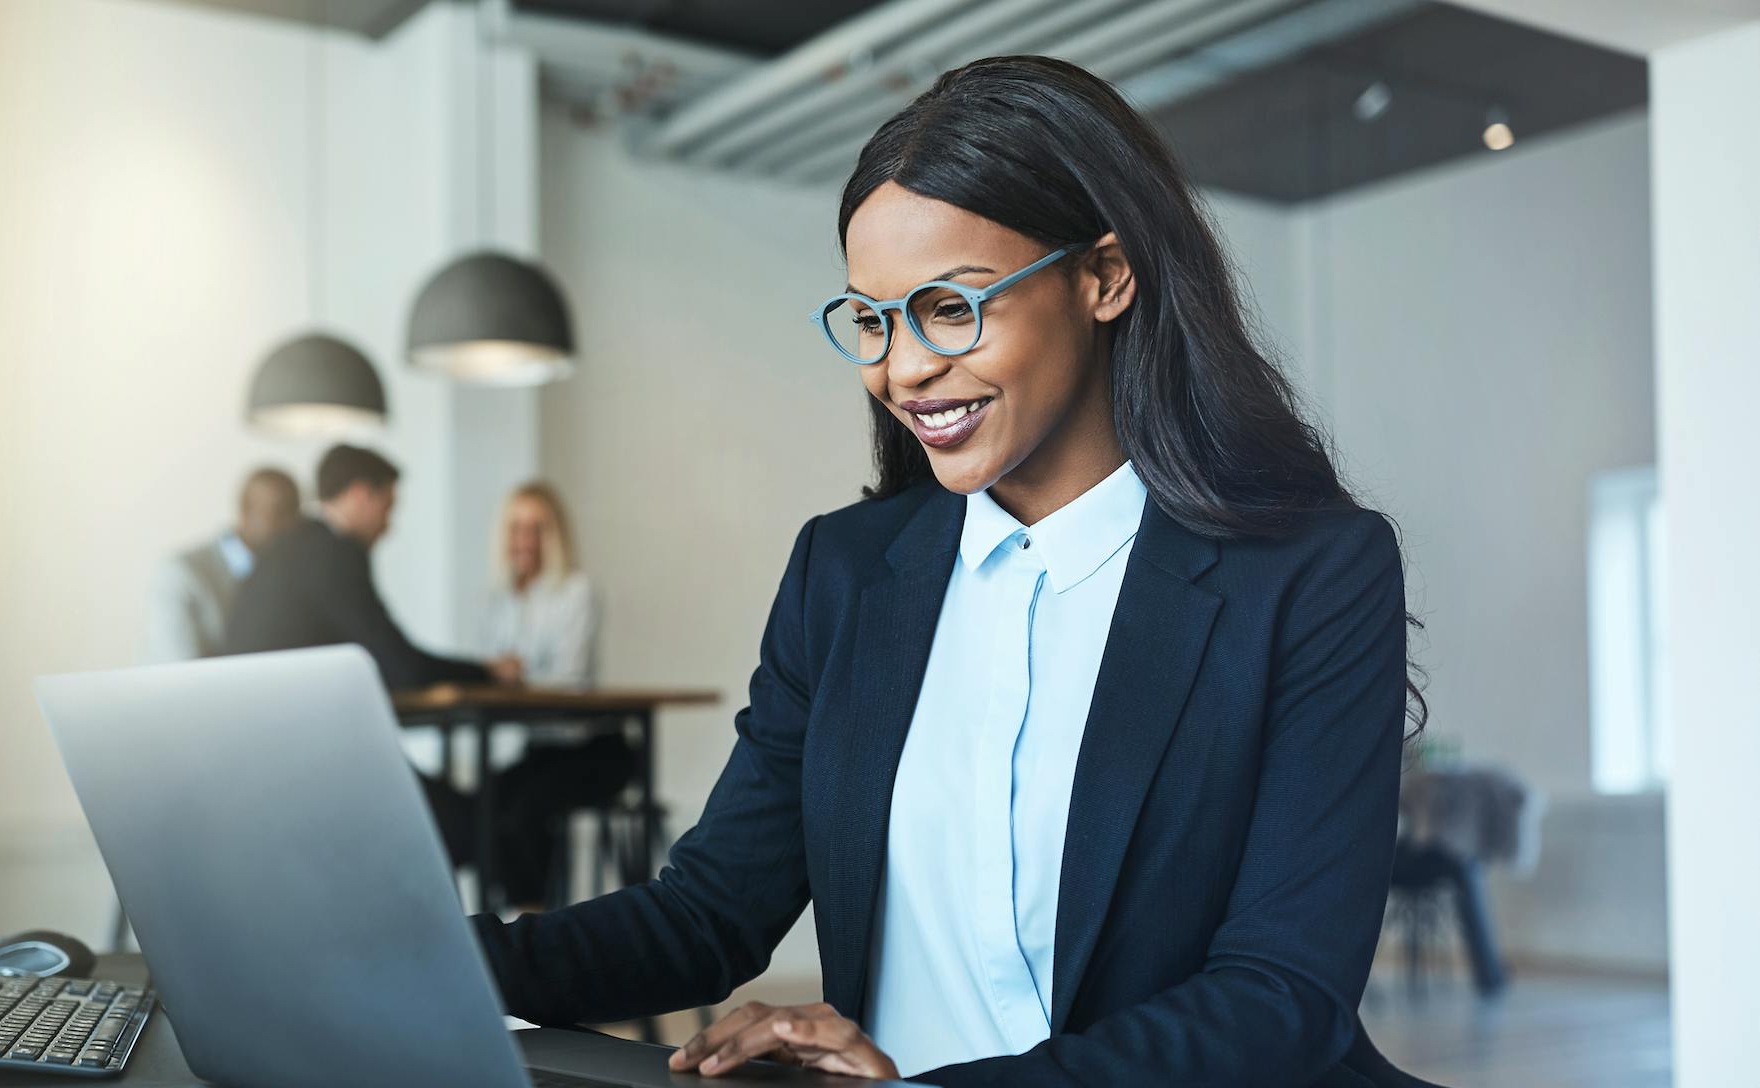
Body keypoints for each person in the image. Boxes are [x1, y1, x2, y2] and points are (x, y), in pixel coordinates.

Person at [469, 56, 1430, 1087]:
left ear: (1104, 275)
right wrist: (425, 956)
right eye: (872, 320)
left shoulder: (1309, 574)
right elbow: (707, 913)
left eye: (950, 307)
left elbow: (1277, 995)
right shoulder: (841, 573)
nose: (903, 368)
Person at [224, 444, 521, 688]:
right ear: (360, 494)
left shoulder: (297, 546)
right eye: (387, 507)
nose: (388, 527)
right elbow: (399, 667)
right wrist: (487, 673)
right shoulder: (332, 554)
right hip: (285, 726)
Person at [481, 483, 626, 909]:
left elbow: (570, 677)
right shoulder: (499, 600)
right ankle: (509, 925)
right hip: (539, 750)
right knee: (485, 809)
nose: (525, 540)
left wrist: (513, 674)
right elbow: (495, 673)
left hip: (592, 750)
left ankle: (537, 927)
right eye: (516, 528)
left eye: (536, 528)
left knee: (525, 813)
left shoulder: (576, 591)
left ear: (555, 534)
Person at [149, 466, 299, 661]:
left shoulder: (286, 575)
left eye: (295, 514)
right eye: (279, 512)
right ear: (246, 511)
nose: (289, 525)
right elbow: (180, 670)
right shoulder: (179, 574)